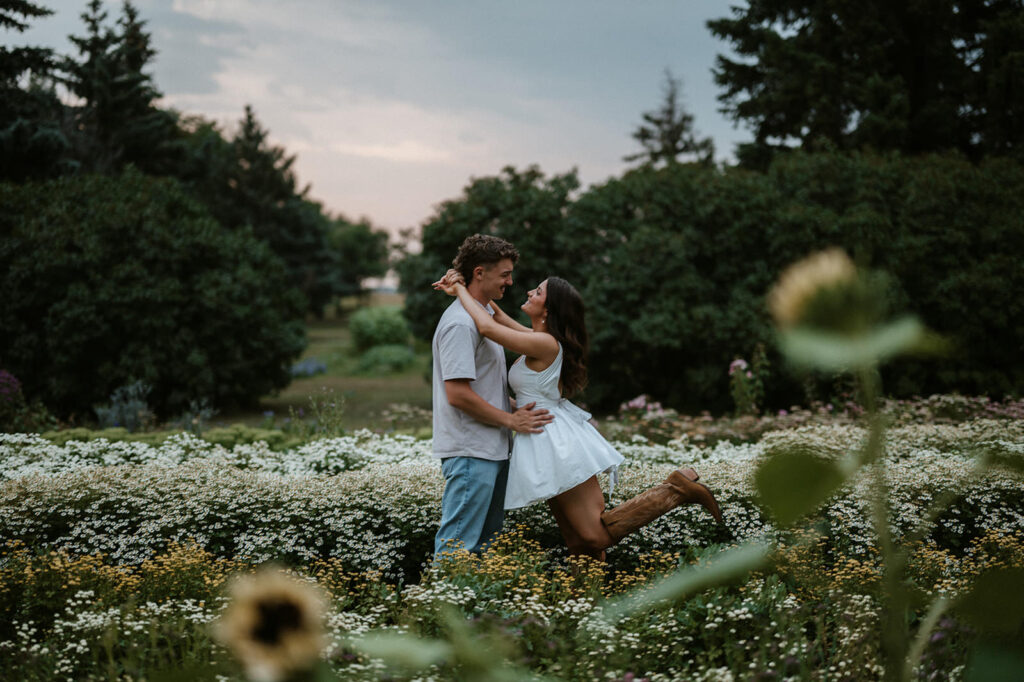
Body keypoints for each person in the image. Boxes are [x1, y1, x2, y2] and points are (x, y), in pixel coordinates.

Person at [434, 270, 722, 560]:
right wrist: (468, 287)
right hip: (542, 439)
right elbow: (495, 316)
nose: (528, 293)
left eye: (538, 292)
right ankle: (584, 601)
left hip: (557, 442)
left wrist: (460, 289)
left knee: (593, 535)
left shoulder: (544, 343)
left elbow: (487, 326)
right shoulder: (537, 337)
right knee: (577, 541)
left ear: (548, 309)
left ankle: (676, 489)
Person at [432, 234, 555, 559]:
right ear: (479, 273)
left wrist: (514, 410)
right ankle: (441, 609)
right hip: (471, 450)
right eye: (504, 274)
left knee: (484, 548)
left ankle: (474, 611)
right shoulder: (461, 324)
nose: (511, 282)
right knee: (458, 547)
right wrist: (511, 419)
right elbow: (458, 395)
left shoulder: (480, 316)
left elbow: (484, 387)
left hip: (492, 449)